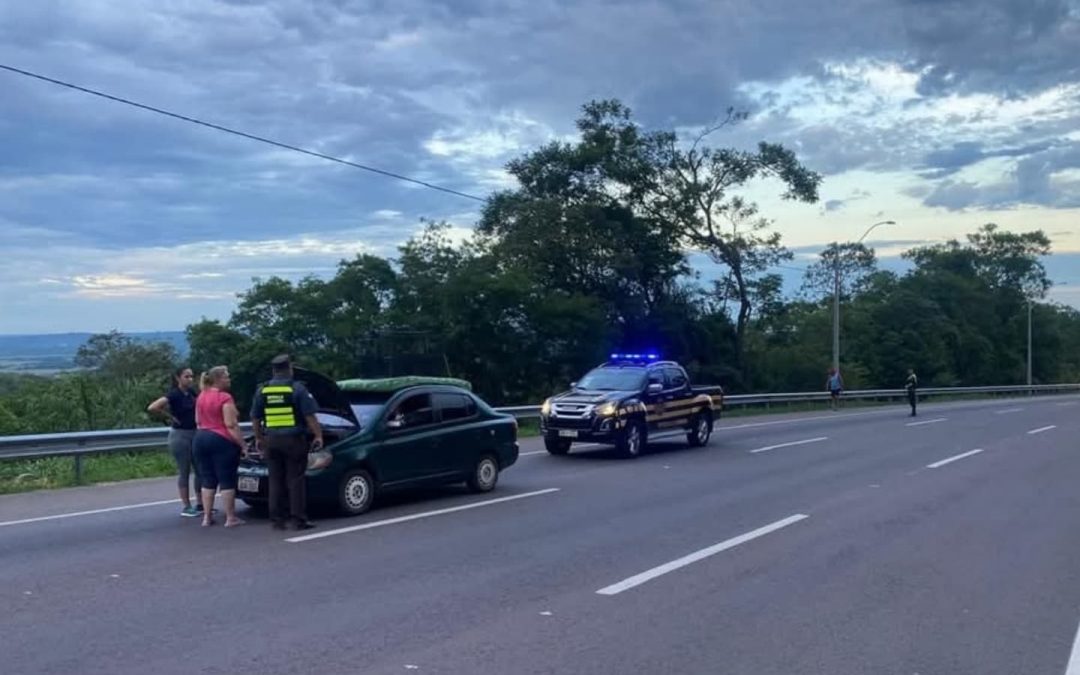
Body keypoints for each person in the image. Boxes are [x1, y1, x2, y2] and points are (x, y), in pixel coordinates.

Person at [250, 354, 323, 531]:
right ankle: (298, 520)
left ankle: (277, 520)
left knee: (275, 480)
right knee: (295, 480)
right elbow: (309, 416)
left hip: (271, 440)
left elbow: (255, 417)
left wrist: (259, 438)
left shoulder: (263, 390)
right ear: (289, 368)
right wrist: (318, 435)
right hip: (293, 440)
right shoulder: (297, 389)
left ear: (274, 370)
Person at [193, 366, 246, 528]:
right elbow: (231, 424)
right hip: (220, 439)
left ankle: (207, 517)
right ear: (218, 379)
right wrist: (242, 444)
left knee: (207, 478)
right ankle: (230, 518)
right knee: (226, 478)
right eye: (227, 377)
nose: (229, 380)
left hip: (200, 437)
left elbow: (197, 420)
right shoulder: (224, 397)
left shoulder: (201, 395)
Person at [147, 367, 202, 517]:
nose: (190, 379)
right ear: (178, 378)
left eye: (191, 376)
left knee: (200, 470)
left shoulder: (191, 393)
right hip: (180, 435)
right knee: (184, 470)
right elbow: (153, 407)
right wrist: (170, 417)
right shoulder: (174, 394)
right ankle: (186, 505)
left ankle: (200, 503)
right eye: (186, 377)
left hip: (194, 432)